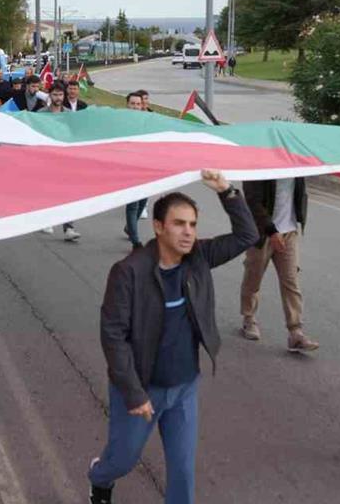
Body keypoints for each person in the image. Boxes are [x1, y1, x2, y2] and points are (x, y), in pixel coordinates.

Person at [88, 170, 258, 504]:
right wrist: (135, 394)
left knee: (182, 470)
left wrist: (226, 191)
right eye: (179, 223)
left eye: (193, 224)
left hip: (183, 388)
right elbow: (113, 337)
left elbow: (247, 235)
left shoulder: (198, 258)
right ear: (158, 226)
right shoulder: (128, 272)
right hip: (140, 388)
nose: (188, 232)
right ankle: (99, 477)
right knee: (122, 460)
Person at [239, 177, 319, 352]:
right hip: (261, 233)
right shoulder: (260, 166)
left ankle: (296, 332)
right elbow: (252, 201)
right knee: (254, 277)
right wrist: (272, 231)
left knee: (291, 281)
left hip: (289, 232)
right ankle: (249, 318)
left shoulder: (297, 166)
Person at [41, 83, 81, 241]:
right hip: (47, 158)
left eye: (60, 95)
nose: (58, 98)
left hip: (65, 159)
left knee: (67, 193)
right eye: (55, 95)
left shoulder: (70, 114)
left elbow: (74, 135)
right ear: (50, 95)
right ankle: (47, 220)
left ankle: (69, 227)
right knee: (49, 191)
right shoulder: (41, 114)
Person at [122, 93, 149, 250]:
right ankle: (136, 242)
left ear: (142, 106)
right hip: (128, 168)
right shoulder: (120, 122)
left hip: (145, 167)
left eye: (137, 104)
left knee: (143, 201)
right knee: (132, 204)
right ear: (127, 104)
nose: (135, 107)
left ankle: (129, 228)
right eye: (132, 103)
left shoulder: (147, 121)